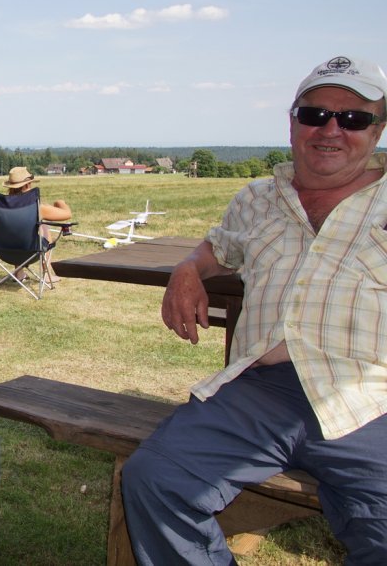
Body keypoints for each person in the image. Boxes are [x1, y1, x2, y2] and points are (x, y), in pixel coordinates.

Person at [121, 55, 387, 565]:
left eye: (353, 118)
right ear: (292, 122)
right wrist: (186, 269)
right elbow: (218, 247)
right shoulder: (258, 198)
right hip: (261, 389)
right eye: (315, 114)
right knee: (156, 479)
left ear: (377, 131)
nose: (331, 129)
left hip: (369, 393)